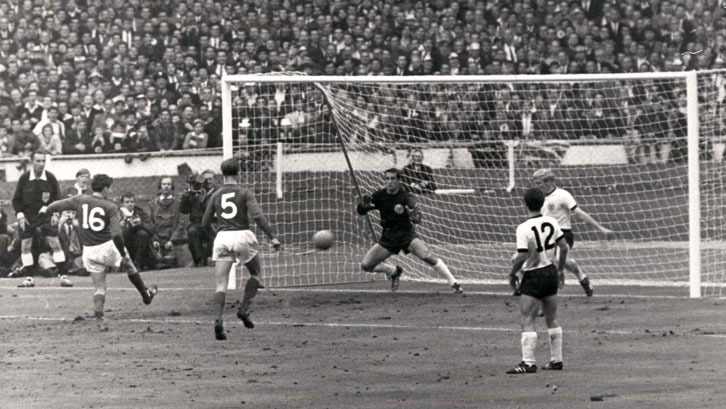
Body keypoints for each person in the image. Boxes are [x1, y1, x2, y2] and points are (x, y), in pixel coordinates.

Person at [42, 174, 157, 331]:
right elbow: (117, 234)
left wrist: (46, 210)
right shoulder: (110, 207)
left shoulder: (80, 199)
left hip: (88, 251)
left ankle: (99, 316)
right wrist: (122, 251)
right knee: (130, 266)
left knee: (99, 287)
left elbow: (58, 205)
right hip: (107, 246)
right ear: (105, 188)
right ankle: (146, 295)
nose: (111, 191)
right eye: (110, 188)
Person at [202, 156, 281, 340]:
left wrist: (219, 233)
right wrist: (272, 237)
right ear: (239, 173)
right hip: (242, 235)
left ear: (222, 174)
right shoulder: (245, 192)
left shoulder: (215, 194)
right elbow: (258, 216)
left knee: (221, 284)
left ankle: (218, 320)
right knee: (255, 274)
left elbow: (204, 222)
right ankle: (244, 310)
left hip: (222, 237)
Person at [356, 168, 462, 293]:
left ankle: (454, 283)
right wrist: (363, 206)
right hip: (388, 236)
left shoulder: (406, 197)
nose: (389, 181)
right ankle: (393, 271)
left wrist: (414, 217)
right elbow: (361, 211)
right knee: (366, 265)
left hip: (407, 235)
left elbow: (417, 219)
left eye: (393, 178)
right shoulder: (379, 195)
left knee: (426, 255)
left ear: (399, 180)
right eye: (387, 178)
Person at [506, 187, 569, 374]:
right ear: (543, 203)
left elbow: (521, 256)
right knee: (552, 317)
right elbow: (564, 248)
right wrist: (560, 270)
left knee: (528, 318)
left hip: (534, 274)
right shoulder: (552, 222)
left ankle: (528, 362)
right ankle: (556, 360)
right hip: (550, 271)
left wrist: (512, 273)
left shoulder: (523, 227)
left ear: (524, 204)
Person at [532, 169, 615, 296]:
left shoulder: (563, 195)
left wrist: (601, 228)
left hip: (563, 233)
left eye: (538, 183)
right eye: (535, 183)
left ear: (549, 182)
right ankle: (531, 290)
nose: (536, 186)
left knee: (561, 260)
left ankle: (580, 277)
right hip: (544, 235)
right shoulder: (536, 196)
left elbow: (580, 213)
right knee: (531, 260)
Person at [11, 151, 67, 278]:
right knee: (26, 245)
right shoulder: (24, 178)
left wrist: (55, 213)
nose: (41, 164)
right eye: (38, 161)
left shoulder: (50, 177)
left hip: (47, 214)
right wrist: (20, 215)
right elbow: (16, 200)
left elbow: (57, 198)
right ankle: (29, 277)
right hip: (28, 216)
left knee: (54, 242)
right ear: (32, 162)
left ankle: (63, 276)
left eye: (43, 161)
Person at [181, 169, 216, 266]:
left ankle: (212, 258)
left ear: (214, 180)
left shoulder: (217, 193)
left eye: (210, 179)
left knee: (213, 233)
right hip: (196, 223)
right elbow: (184, 210)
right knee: (192, 231)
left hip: (212, 222)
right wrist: (186, 196)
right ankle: (199, 260)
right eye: (205, 179)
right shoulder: (194, 193)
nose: (208, 182)